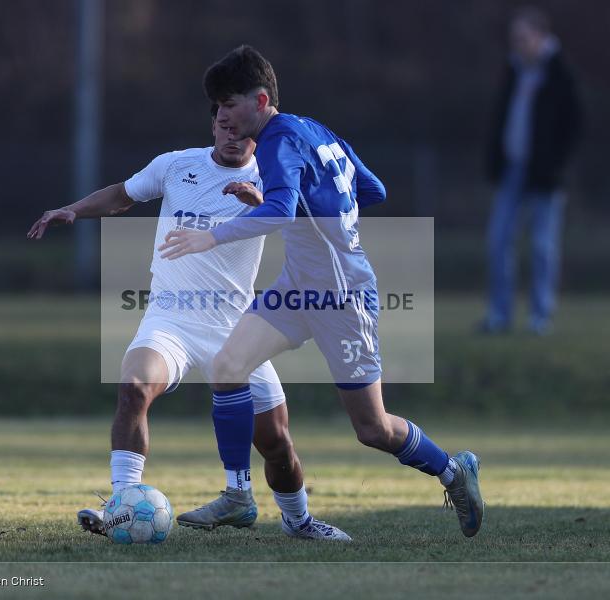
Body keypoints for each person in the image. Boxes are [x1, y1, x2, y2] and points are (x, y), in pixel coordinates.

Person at [159, 45, 484, 538]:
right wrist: (296, 205)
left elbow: (285, 212)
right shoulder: (316, 130)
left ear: (261, 99)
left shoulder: (276, 140)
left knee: (372, 430)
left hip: (343, 298)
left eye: (229, 104)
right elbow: (372, 190)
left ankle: (453, 471)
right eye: (218, 107)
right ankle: (238, 494)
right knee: (226, 367)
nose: (222, 116)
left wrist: (214, 234)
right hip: (297, 288)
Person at [27, 108, 350, 540]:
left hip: (238, 327)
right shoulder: (176, 165)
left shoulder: (273, 175)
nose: (231, 137)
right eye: (223, 127)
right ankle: (121, 505)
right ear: (213, 125)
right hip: (171, 317)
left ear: (255, 133)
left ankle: (300, 521)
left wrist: (263, 205)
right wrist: (73, 210)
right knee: (133, 388)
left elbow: (301, 227)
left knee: (275, 442)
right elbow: (123, 194)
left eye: (240, 131)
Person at [480, 6, 582, 335]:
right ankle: (500, 316)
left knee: (542, 246)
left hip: (544, 176)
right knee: (498, 241)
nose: (518, 44)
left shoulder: (559, 75)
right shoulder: (513, 72)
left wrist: (555, 165)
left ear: (540, 37)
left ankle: (540, 316)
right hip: (512, 170)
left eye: (523, 38)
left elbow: (574, 125)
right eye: (514, 39)